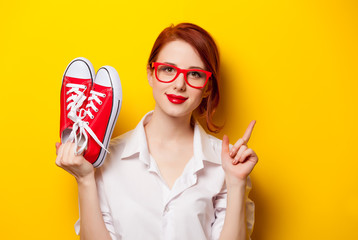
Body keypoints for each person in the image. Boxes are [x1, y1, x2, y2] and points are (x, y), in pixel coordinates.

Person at [55, 22, 258, 240]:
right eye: (168, 69)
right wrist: (85, 179)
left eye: (195, 74)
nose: (179, 84)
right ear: (151, 74)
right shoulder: (105, 158)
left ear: (207, 87)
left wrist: (236, 183)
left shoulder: (226, 162)